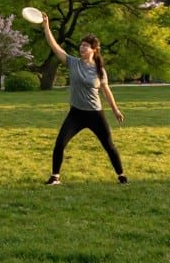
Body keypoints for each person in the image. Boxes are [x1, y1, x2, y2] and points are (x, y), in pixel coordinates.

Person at [41, 13, 127, 185]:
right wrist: (46, 27)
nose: (82, 48)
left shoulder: (99, 70)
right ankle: (55, 177)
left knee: (109, 145)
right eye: (81, 45)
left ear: (94, 49)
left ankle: (121, 175)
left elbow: (106, 91)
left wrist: (115, 110)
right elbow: (54, 46)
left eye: (86, 46)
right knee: (59, 143)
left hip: (95, 114)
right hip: (76, 114)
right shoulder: (73, 63)